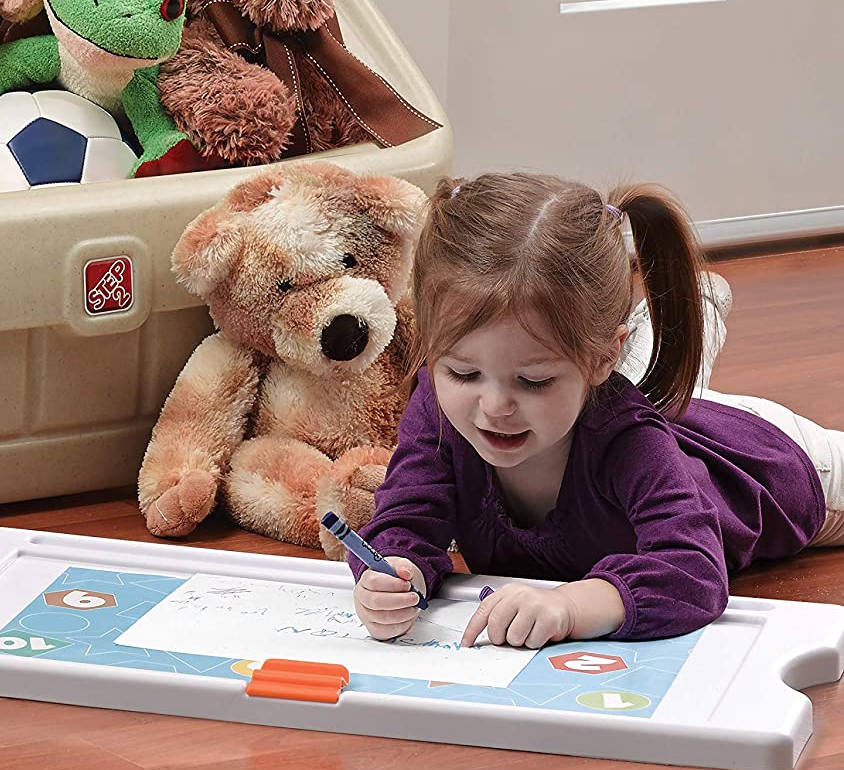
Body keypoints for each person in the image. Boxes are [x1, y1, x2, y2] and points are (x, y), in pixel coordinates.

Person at [345, 173, 844, 648]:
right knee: (655, 385)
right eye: (463, 373)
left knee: (659, 401)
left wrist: (571, 606)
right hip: (638, 406)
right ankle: (699, 303)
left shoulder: (631, 440)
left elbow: (693, 571)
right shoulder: (440, 402)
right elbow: (406, 514)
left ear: (605, 358)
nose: (493, 407)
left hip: (775, 459)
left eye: (533, 380)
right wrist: (395, 569)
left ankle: (700, 305)